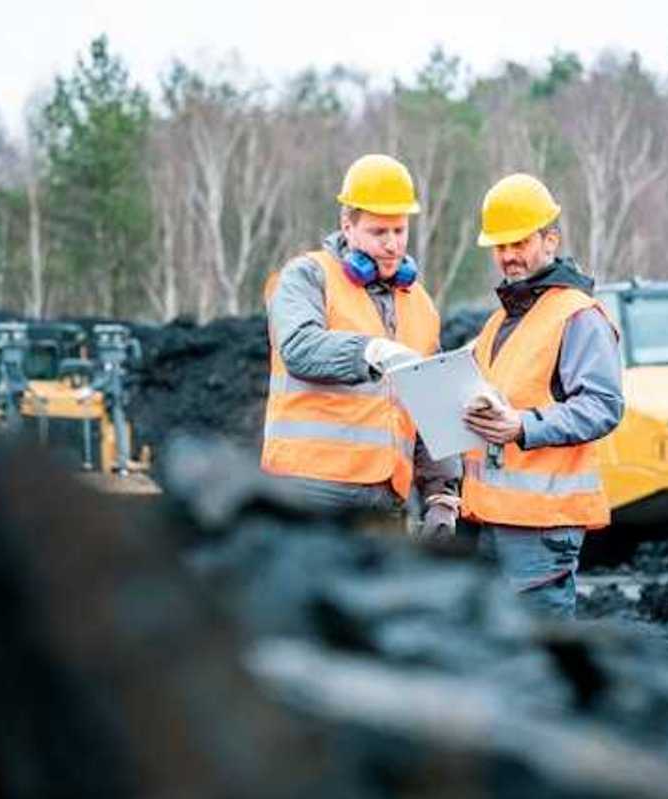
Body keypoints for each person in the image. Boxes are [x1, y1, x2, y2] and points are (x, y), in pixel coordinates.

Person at [261, 154, 460, 536]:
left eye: (400, 231)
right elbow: (299, 347)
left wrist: (441, 496)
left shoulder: (418, 302)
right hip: (310, 490)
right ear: (347, 227)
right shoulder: (306, 276)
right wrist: (372, 351)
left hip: (384, 497)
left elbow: (434, 405)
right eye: (378, 232)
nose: (392, 245)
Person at [461, 173, 624, 618]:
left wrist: (523, 426)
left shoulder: (577, 315)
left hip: (541, 528)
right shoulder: (500, 323)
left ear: (550, 240)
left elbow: (603, 407)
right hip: (490, 519)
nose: (509, 256)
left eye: (520, 243)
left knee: (541, 658)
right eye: (501, 246)